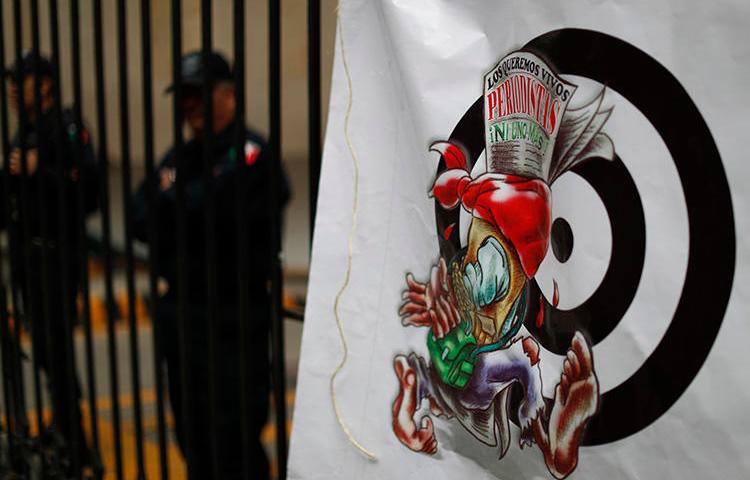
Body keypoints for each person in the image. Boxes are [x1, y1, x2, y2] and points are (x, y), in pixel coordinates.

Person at [132, 51, 289, 480]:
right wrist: (185, 202)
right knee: (192, 433)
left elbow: (221, 215)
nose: (190, 104)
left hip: (234, 318)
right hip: (185, 317)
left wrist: (174, 199)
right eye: (183, 95)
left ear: (228, 96)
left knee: (236, 435)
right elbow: (137, 218)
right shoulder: (179, 156)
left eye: (199, 93)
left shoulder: (253, 153)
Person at [0, 52, 98, 474]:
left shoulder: (66, 128)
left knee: (54, 347)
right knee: (43, 348)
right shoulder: (26, 133)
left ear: (43, 84)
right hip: (29, 257)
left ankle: (76, 443)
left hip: (58, 257)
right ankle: (62, 424)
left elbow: (89, 192)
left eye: (19, 81)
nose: (11, 91)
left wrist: (43, 170)